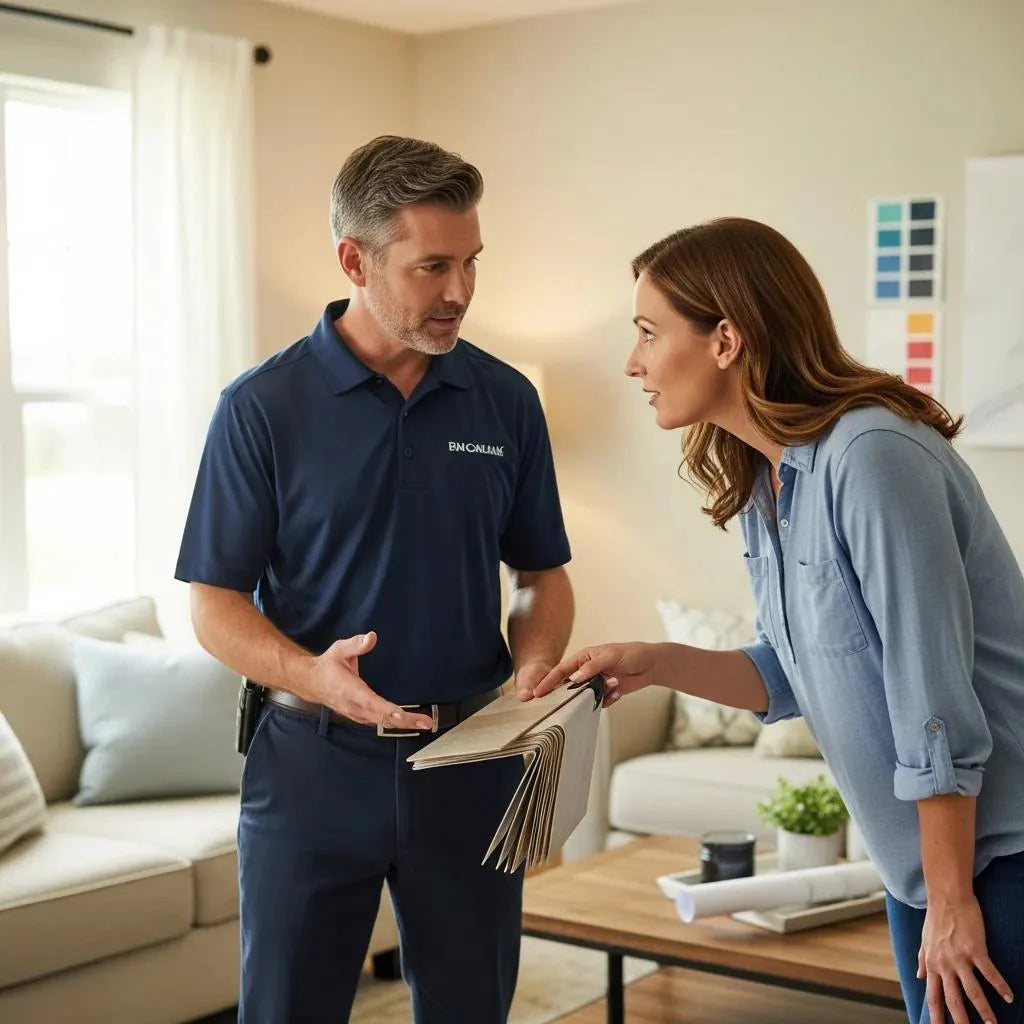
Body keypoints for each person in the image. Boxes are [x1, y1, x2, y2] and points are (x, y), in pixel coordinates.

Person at [527, 218, 1024, 1024]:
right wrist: (655, 659)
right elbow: (801, 673)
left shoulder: (872, 457)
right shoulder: (769, 481)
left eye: (650, 333)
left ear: (726, 338)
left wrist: (952, 899)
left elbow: (930, 699)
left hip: (995, 859)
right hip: (924, 867)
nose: (633, 363)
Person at [176, 135, 574, 1024]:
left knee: (473, 1011)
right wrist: (312, 673)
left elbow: (540, 572)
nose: (461, 292)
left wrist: (534, 668)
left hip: (467, 759)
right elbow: (214, 604)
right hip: (312, 765)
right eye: (433, 266)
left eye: (471, 262)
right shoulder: (261, 408)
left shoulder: (506, 399)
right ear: (354, 260)